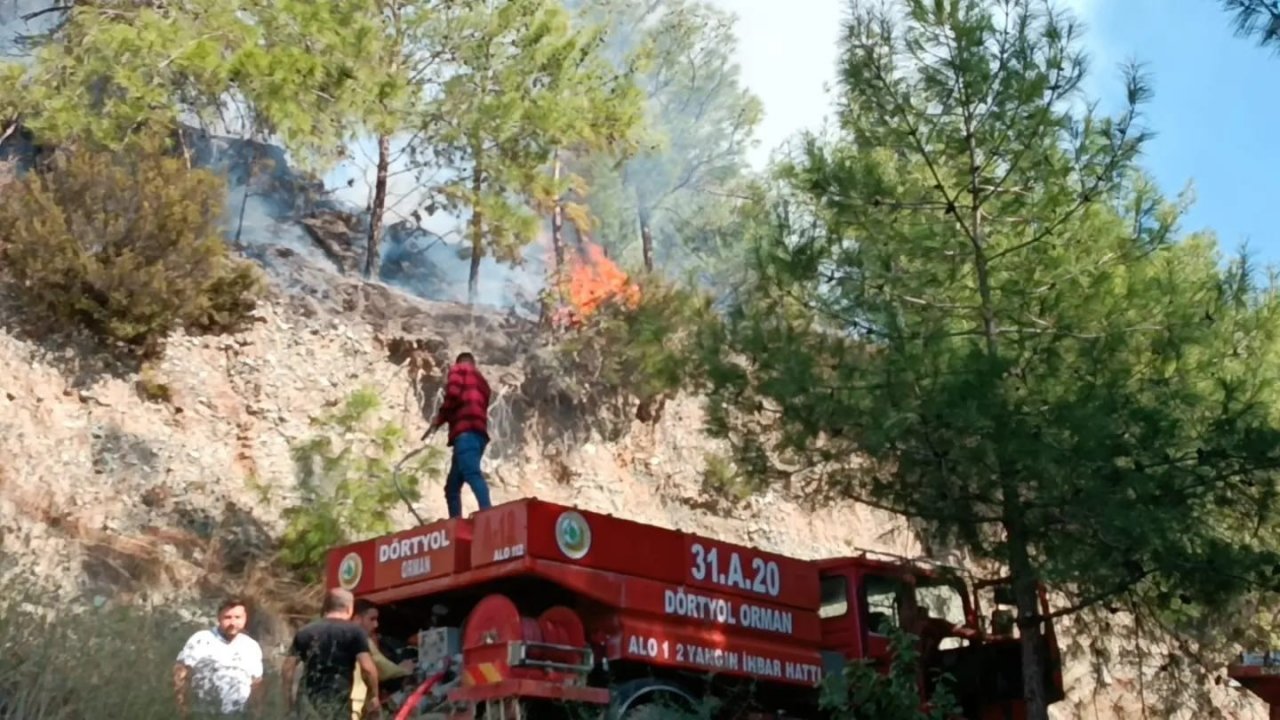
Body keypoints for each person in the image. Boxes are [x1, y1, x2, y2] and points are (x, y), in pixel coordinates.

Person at [282, 589, 380, 720]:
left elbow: (287, 668)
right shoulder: (354, 632)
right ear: (349, 609)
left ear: (326, 607)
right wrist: (374, 696)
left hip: (307, 701)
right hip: (337, 699)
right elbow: (367, 668)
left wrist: (289, 702)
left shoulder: (305, 632)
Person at [424, 351, 493, 518]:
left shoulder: (459, 370)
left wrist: (439, 419)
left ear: (460, 362)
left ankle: (488, 513)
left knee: (471, 473)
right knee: (452, 487)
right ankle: (456, 523)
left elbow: (453, 396)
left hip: (465, 433)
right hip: (479, 437)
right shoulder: (483, 384)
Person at [173, 596, 264, 718]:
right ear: (219, 618)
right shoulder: (201, 639)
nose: (232, 622)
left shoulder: (252, 647)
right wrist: (182, 707)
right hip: (203, 713)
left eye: (238, 617)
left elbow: (256, 684)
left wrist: (256, 713)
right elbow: (180, 673)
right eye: (227, 617)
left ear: (245, 618)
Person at [350, 599, 416, 718]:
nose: (376, 625)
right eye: (372, 619)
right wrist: (404, 670)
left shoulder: (335, 635)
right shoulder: (359, 639)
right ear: (357, 619)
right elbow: (378, 665)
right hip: (354, 704)